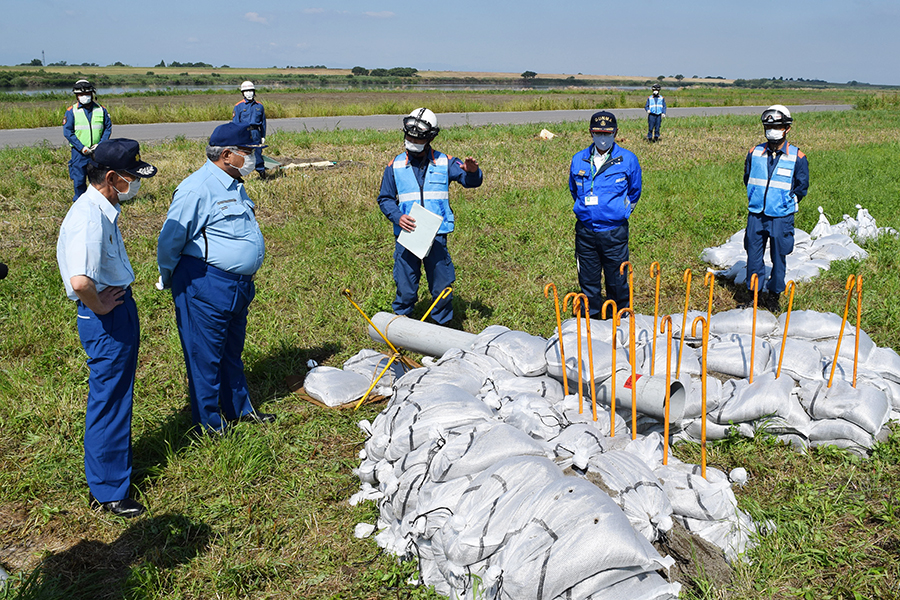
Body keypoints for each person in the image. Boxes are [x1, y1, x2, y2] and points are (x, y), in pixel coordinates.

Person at [56, 139, 157, 518]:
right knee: (109, 400)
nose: (135, 184)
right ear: (111, 177)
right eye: (131, 177)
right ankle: (108, 490)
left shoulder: (103, 208)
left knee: (117, 395)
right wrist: (100, 306)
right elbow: (81, 282)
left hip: (115, 310)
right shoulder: (88, 218)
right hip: (105, 317)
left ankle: (115, 468)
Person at [157, 122, 275, 435]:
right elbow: (170, 240)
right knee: (205, 357)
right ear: (226, 154)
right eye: (246, 152)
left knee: (231, 351)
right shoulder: (196, 188)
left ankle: (239, 409)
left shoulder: (234, 181)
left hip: (238, 286)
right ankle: (209, 424)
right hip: (205, 283)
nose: (251, 158)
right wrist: (170, 278)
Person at [376, 108, 483, 325]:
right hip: (408, 236)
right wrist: (397, 217)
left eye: (417, 137)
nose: (411, 141)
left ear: (430, 137)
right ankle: (400, 328)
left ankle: (441, 329)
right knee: (405, 286)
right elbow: (385, 198)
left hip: (437, 236)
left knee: (442, 286)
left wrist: (472, 172)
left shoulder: (445, 162)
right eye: (408, 136)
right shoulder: (394, 165)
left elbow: (471, 182)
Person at [568, 111, 642, 317]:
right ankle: (591, 319)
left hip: (614, 232)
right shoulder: (579, 159)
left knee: (617, 279)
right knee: (588, 280)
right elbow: (574, 190)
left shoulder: (627, 159)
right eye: (598, 133)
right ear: (590, 133)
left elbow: (635, 191)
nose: (602, 138)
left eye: (607, 133)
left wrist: (621, 211)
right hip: (586, 232)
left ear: (615, 133)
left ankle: (618, 319)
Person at [743, 104, 809, 312]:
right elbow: (747, 178)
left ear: (787, 128)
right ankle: (754, 295)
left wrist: (784, 202)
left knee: (778, 257)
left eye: (778, 126)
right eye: (768, 127)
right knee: (753, 256)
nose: (772, 131)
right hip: (756, 214)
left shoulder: (797, 157)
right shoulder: (755, 152)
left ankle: (774, 295)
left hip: (781, 216)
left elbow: (802, 186)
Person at [62, 80, 112, 201]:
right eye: (81, 95)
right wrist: (81, 147)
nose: (84, 97)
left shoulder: (101, 109)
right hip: (79, 153)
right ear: (76, 96)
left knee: (99, 178)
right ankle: (80, 201)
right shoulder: (71, 111)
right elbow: (68, 132)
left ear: (92, 94)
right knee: (79, 179)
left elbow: (107, 128)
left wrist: (100, 145)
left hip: (97, 151)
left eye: (87, 94)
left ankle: (99, 200)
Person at [231, 81, 267, 177]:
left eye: (251, 90)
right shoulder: (238, 106)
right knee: (242, 153)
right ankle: (239, 174)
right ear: (242, 93)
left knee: (258, 153)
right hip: (244, 132)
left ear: (254, 92)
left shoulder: (259, 106)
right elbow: (235, 123)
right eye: (246, 91)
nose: (249, 93)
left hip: (256, 132)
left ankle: (261, 172)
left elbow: (263, 122)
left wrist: (263, 135)